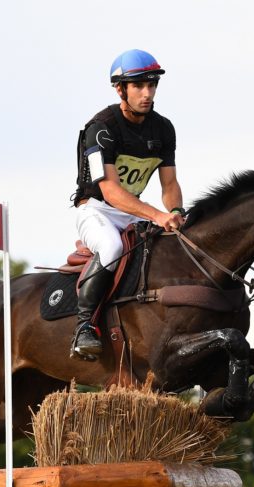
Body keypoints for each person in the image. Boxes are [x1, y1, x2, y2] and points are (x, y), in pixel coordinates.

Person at [69, 49, 186, 360]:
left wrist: (175, 212)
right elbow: (109, 191)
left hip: (135, 213)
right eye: (139, 86)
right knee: (110, 248)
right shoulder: (102, 127)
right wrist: (158, 215)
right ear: (120, 89)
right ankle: (84, 327)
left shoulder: (163, 129)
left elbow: (170, 185)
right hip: (96, 210)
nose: (147, 94)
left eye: (152, 86)